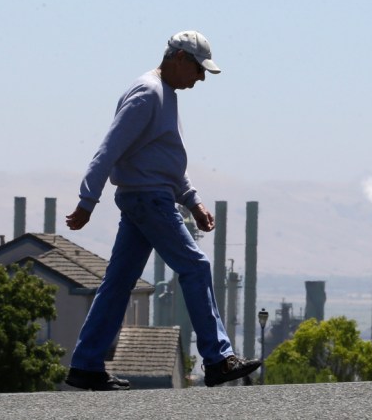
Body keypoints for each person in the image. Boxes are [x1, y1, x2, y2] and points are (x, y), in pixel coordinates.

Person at [63, 30, 262, 391]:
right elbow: (108, 149)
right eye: (198, 70)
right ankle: (218, 358)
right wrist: (87, 200)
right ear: (179, 58)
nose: (200, 78)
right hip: (149, 200)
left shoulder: (164, 94)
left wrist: (192, 199)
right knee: (196, 266)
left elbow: (163, 158)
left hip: (149, 196)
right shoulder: (148, 94)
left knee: (118, 283)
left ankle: (85, 365)